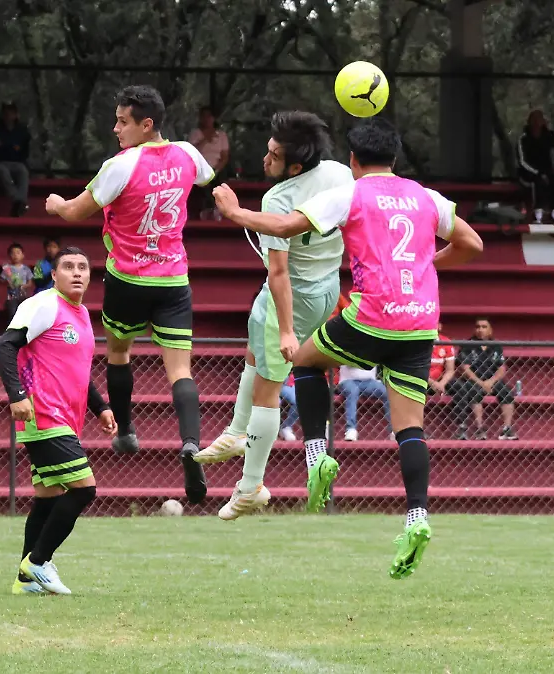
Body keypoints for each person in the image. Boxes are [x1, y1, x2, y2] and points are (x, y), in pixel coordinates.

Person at [213, 117, 484, 578]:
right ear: (395, 159)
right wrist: (426, 265)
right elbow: (472, 243)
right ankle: (417, 517)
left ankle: (317, 453)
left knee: (303, 360)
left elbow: (285, 224)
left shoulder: (352, 193)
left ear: (354, 161)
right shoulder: (424, 196)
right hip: (420, 324)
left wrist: (235, 212)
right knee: (409, 430)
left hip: (373, 317)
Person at [44, 85, 215, 505]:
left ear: (146, 124)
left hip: (128, 279)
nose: (116, 128)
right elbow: (208, 179)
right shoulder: (189, 154)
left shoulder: (120, 165)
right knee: (181, 371)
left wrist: (54, 205)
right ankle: (191, 443)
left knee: (119, 353)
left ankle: (124, 430)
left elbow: (74, 210)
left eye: (123, 121)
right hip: (174, 279)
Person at [192, 111, 351, 520]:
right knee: (253, 353)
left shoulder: (277, 200)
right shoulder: (336, 173)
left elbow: (278, 273)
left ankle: (251, 486)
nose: (265, 158)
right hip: (326, 285)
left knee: (268, 387)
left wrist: (285, 329)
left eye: (274, 155)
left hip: (293, 295)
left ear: (295, 166)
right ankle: (235, 431)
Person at [0, 247, 116, 595]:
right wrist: (17, 396)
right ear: (54, 275)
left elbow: (78, 373)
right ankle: (37, 562)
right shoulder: (44, 303)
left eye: (83, 267)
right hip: (43, 412)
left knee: (48, 498)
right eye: (68, 267)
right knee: (84, 489)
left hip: (65, 416)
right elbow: (5, 346)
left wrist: (101, 407)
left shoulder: (80, 314)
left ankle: (24, 582)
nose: (77, 272)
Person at [448, 317, 518, 441]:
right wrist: (481, 383)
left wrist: (491, 381)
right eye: (478, 327)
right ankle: (479, 429)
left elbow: (501, 368)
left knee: (506, 392)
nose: (480, 329)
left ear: (490, 330)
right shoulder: (467, 345)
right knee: (474, 392)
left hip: (491, 381)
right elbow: (465, 369)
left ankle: (507, 428)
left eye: (484, 327)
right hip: (473, 381)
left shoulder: (495, 345)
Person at [516, 109, 554, 225]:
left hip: (547, 169)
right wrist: (537, 172)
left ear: (543, 122)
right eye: (533, 120)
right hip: (528, 172)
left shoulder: (550, 136)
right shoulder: (523, 139)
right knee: (538, 181)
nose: (536, 123)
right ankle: (537, 214)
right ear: (529, 122)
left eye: (539, 120)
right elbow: (522, 161)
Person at [0, 103, 32, 217]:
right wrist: (11, 148)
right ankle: (18, 200)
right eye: (6, 113)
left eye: (11, 113)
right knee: (2, 171)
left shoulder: (22, 130)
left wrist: (5, 146)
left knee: (23, 171)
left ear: (16, 115)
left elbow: (24, 152)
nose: (8, 116)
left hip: (16, 163)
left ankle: (20, 202)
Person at [187, 106, 231, 220]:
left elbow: (224, 157)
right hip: (198, 169)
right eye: (204, 116)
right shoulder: (195, 133)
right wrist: (206, 139)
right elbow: (191, 152)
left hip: (216, 170)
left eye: (209, 116)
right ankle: (202, 212)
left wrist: (215, 171)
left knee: (216, 182)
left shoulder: (221, 135)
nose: (206, 119)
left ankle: (215, 211)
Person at [336, 365, 392, 441]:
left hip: (369, 382)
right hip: (348, 380)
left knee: (385, 392)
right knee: (353, 391)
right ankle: (351, 429)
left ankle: (393, 430)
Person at [0, 243, 35, 323]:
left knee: (27, 313)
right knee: (12, 313)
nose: (15, 255)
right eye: (13, 253)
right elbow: (2, 280)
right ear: (9, 256)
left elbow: (30, 283)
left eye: (18, 253)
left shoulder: (26, 269)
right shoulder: (7, 268)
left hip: (24, 297)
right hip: (11, 297)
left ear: (23, 255)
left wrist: (24, 286)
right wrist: (7, 278)